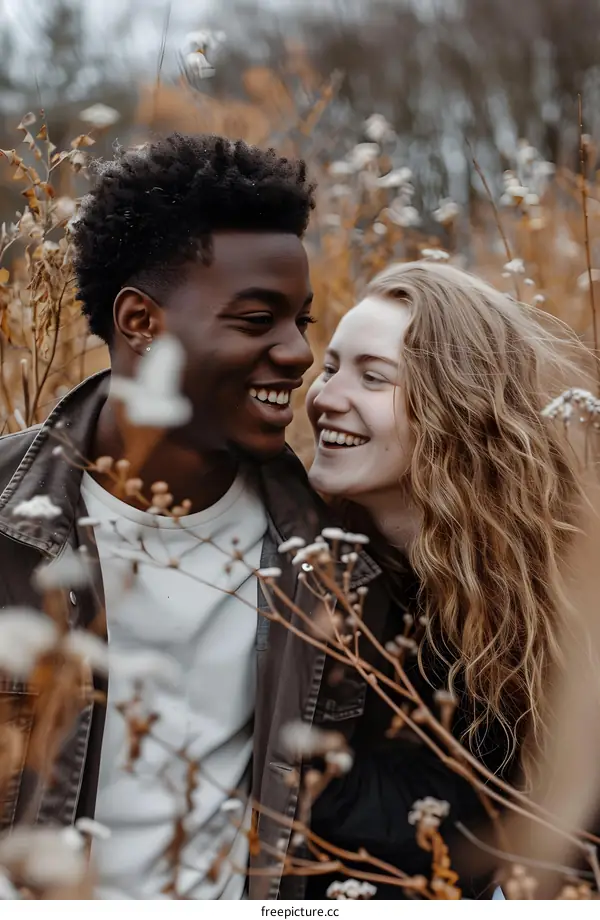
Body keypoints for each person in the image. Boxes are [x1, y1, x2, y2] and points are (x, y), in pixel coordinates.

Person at [0, 133, 384, 900]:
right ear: (141, 322)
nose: (297, 354)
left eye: (300, 322)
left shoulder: (332, 559)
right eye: (256, 320)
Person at [303, 261, 586, 899]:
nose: (325, 398)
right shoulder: (304, 581)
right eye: (329, 367)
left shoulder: (559, 594)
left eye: (372, 377)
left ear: (457, 405)